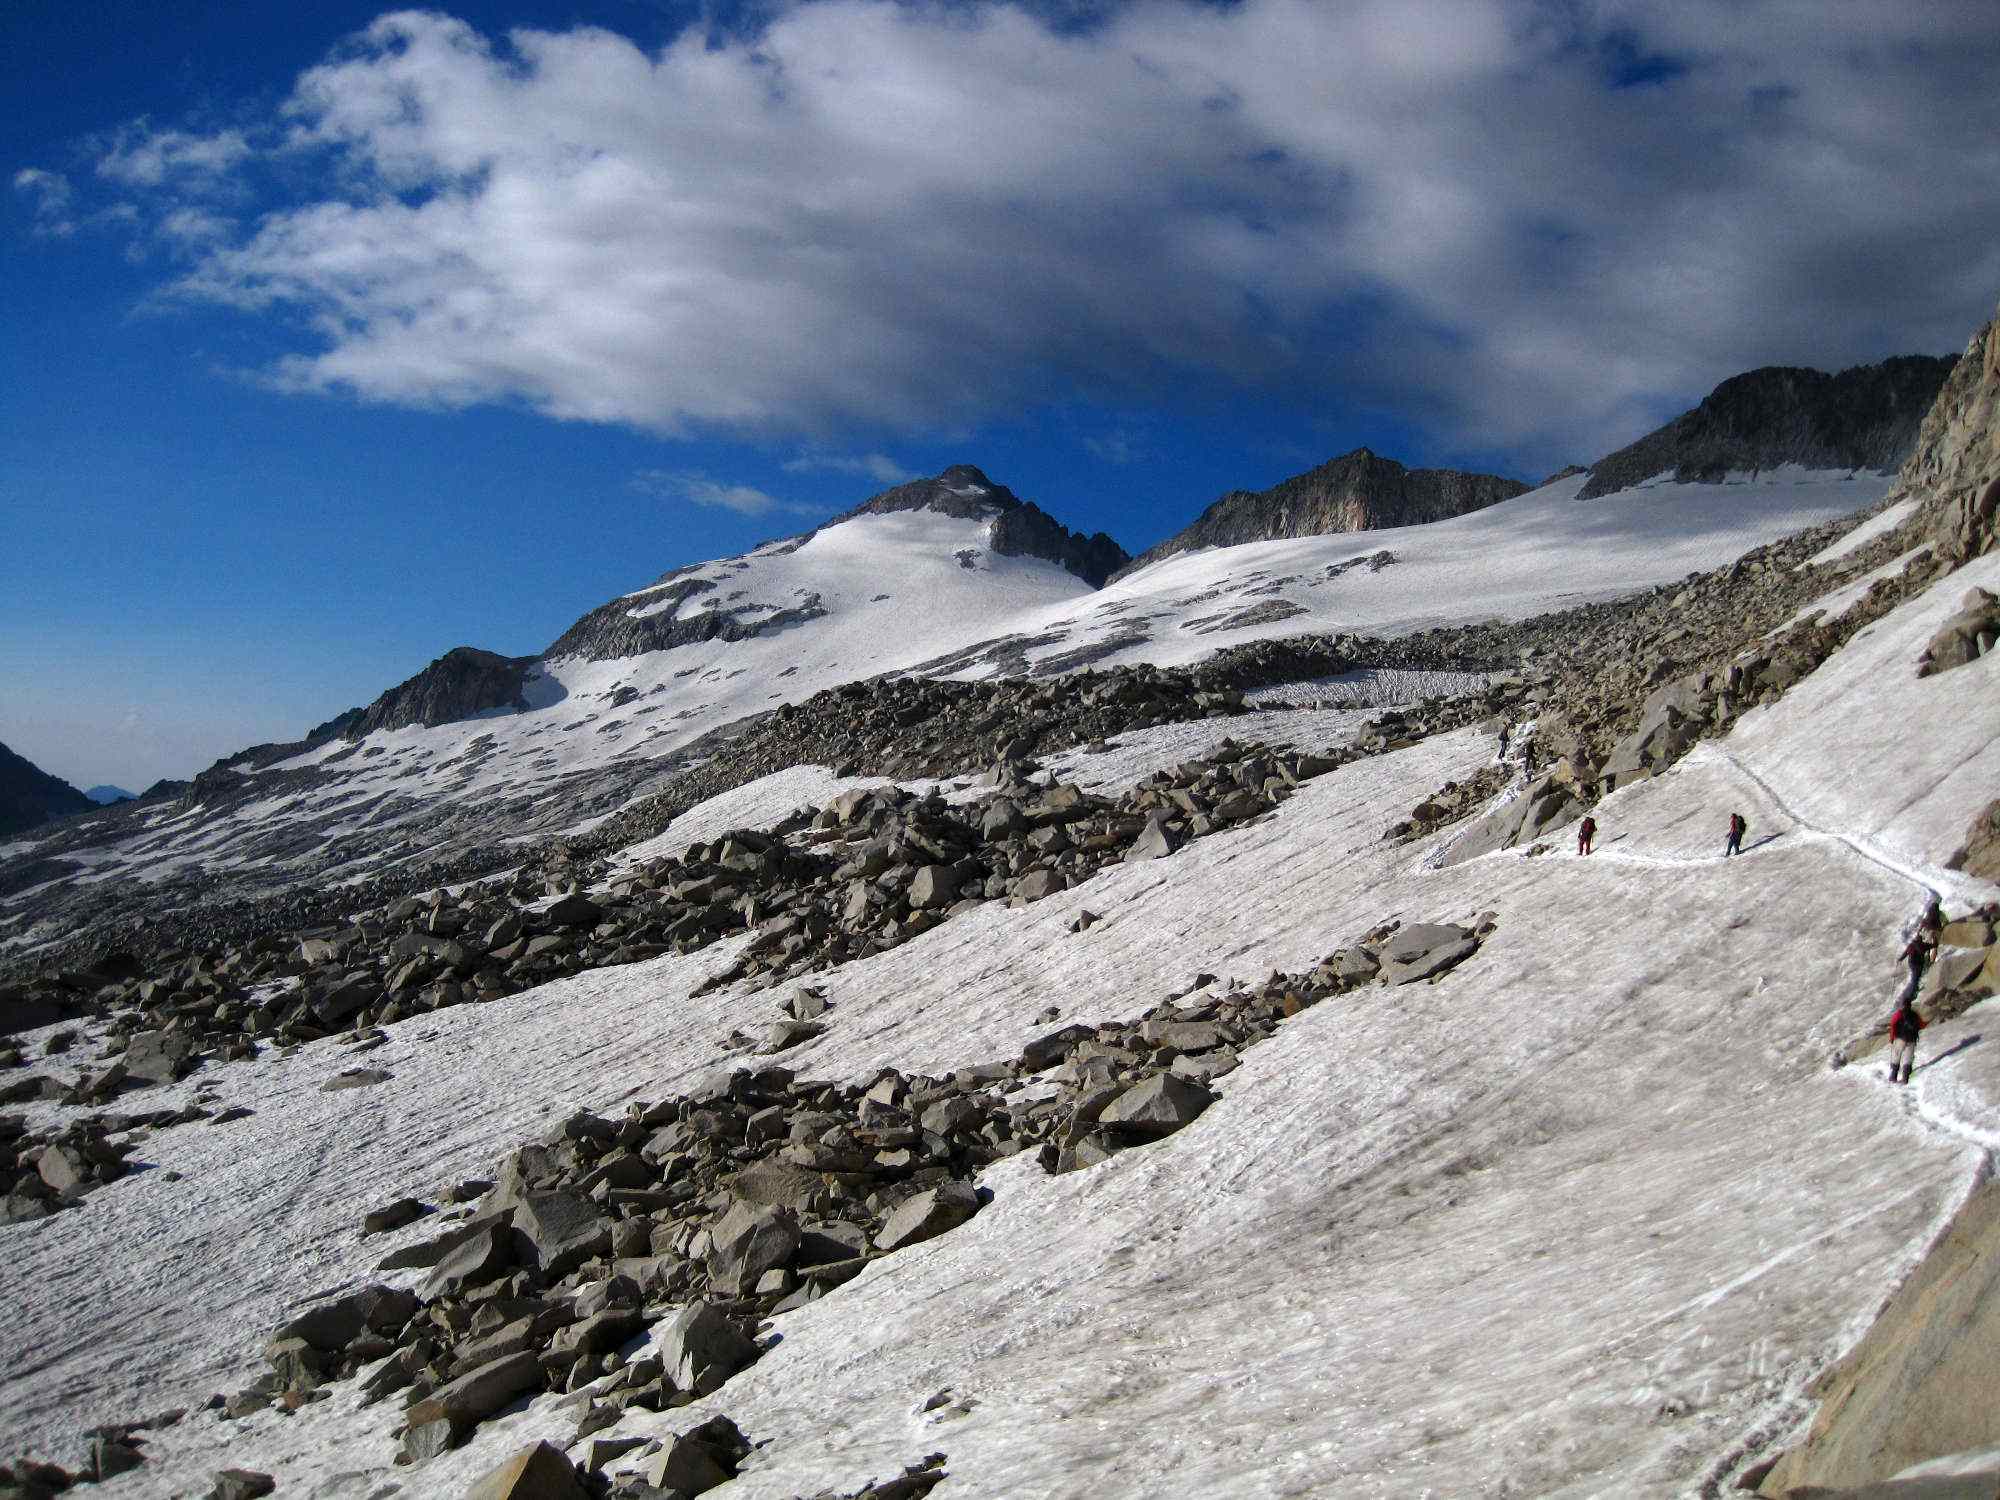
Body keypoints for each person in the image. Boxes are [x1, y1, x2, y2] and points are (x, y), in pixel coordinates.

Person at [1886, 998, 1924, 1084]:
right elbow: (1921, 1025)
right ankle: (1905, 1078)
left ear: (1902, 1005)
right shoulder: (1914, 1015)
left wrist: (1892, 1038)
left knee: (1896, 1056)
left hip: (1900, 1039)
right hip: (1911, 1040)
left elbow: (1893, 1026)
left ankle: (1893, 1076)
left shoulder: (1898, 1014)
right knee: (1908, 1058)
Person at [1899, 931, 1936, 1001]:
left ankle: (1912, 992)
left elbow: (1905, 953)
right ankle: (1911, 995)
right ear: (1921, 940)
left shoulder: (1911, 945)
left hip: (1911, 963)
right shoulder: (1923, 945)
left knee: (1915, 978)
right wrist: (1934, 938)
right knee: (1915, 979)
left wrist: (1900, 959)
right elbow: (1934, 945)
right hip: (1918, 964)